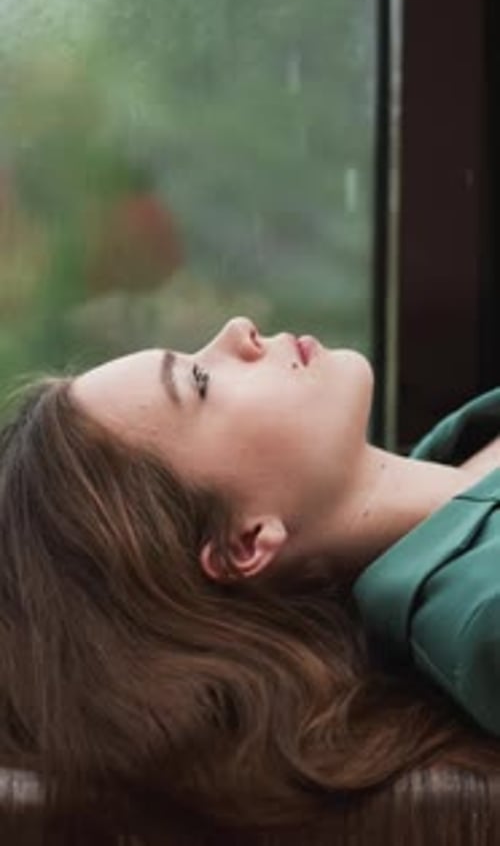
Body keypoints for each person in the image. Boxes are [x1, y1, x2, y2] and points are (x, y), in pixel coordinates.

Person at [0, 315, 499, 833]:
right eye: (199, 382)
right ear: (245, 543)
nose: (239, 330)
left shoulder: (466, 452)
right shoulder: (486, 612)